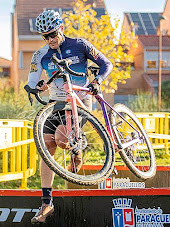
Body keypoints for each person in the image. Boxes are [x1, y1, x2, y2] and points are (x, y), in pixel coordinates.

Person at [24, 9, 113, 224]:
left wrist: (97, 81)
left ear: (61, 29)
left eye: (53, 34)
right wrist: (35, 88)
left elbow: (106, 64)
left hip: (79, 101)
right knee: (46, 146)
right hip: (56, 104)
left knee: (62, 139)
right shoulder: (40, 55)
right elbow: (33, 80)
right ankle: (47, 203)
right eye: (45, 36)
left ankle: (77, 147)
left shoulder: (80, 44)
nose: (50, 40)